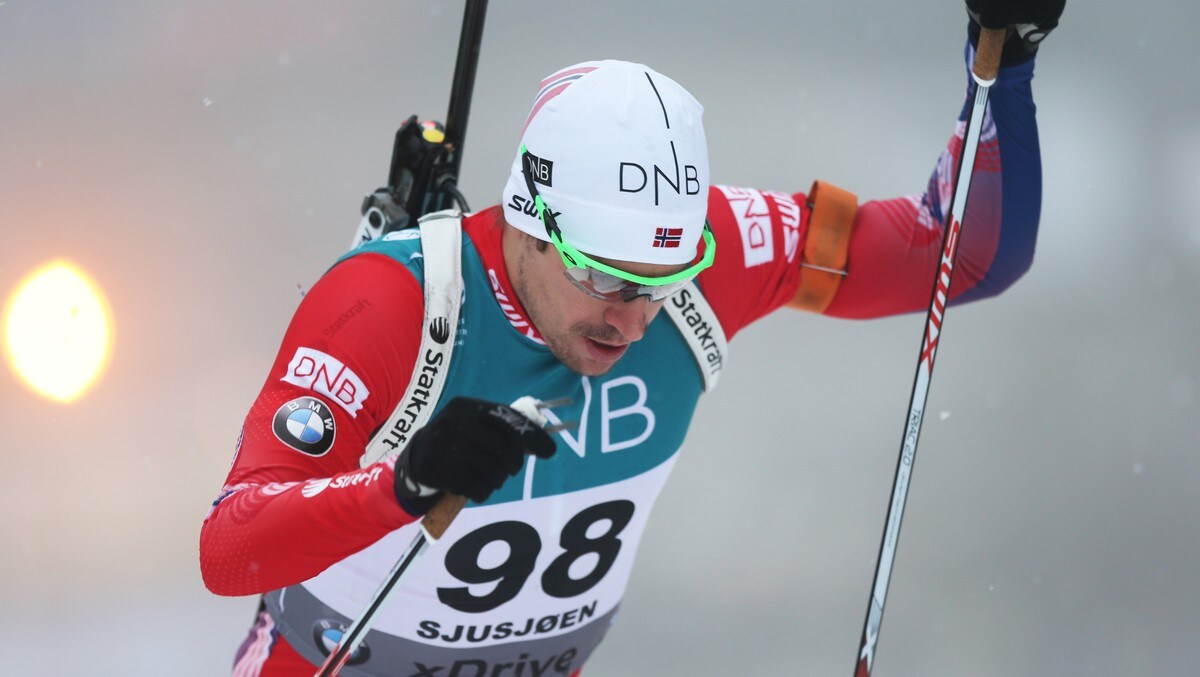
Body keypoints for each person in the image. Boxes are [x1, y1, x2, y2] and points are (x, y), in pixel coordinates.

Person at [201, 1, 1065, 674]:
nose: (632, 317)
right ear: (530, 223)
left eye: (662, 282)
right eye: (604, 278)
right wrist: (401, 484)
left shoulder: (710, 255)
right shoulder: (392, 300)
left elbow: (960, 254)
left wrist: (1009, 57)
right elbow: (229, 547)